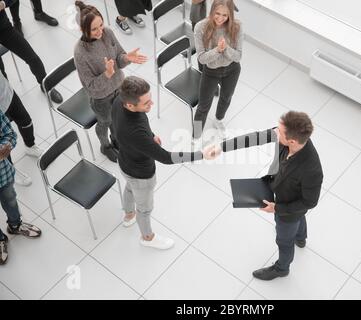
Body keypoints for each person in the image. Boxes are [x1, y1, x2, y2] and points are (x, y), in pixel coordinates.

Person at [206, 111, 323, 280]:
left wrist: (278, 208)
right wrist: (221, 148)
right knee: (300, 219)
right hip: (283, 190)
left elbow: (309, 202)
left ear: (292, 141)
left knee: (284, 239)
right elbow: (255, 138)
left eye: (279, 132)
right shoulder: (287, 137)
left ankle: (282, 268)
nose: (275, 132)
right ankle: (301, 238)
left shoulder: (312, 170)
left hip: (288, 207)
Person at [111, 76, 216, 249]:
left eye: (150, 100)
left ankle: (128, 216)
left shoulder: (118, 101)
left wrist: (150, 136)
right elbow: (167, 158)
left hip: (125, 162)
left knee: (129, 187)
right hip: (141, 175)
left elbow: (138, 129)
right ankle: (147, 237)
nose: (151, 105)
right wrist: (201, 155)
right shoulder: (135, 132)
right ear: (130, 105)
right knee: (144, 209)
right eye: (146, 104)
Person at [74, 1, 148, 162]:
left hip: (119, 88)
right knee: (105, 122)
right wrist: (107, 74)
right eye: (94, 29)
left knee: (118, 119)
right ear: (82, 30)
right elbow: (91, 87)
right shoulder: (80, 53)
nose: (100, 31)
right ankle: (105, 145)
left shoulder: (107, 33)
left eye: (101, 25)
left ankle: (116, 140)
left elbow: (119, 58)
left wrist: (127, 58)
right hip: (101, 98)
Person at [192, 0, 243, 144]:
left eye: (225, 15)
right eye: (217, 13)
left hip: (232, 69)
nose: (220, 18)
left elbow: (238, 56)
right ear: (212, 10)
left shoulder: (237, 27)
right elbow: (202, 59)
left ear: (230, 15)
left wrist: (226, 48)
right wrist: (218, 50)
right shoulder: (200, 27)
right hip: (211, 71)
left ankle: (219, 120)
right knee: (203, 106)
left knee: (226, 97)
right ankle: (196, 135)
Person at [0, 0, 63, 104]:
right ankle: (7, 103)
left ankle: (46, 85)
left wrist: (2, 4)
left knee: (33, 58)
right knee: (1, 74)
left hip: (4, 29)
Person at [0, 109, 42, 265]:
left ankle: (15, 225)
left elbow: (10, 134)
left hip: (2, 174)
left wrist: (4, 147)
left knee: (10, 200)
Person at [0, 72, 42, 186]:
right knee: (2, 143)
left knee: (25, 120)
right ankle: (10, 170)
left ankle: (30, 146)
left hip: (6, 92)